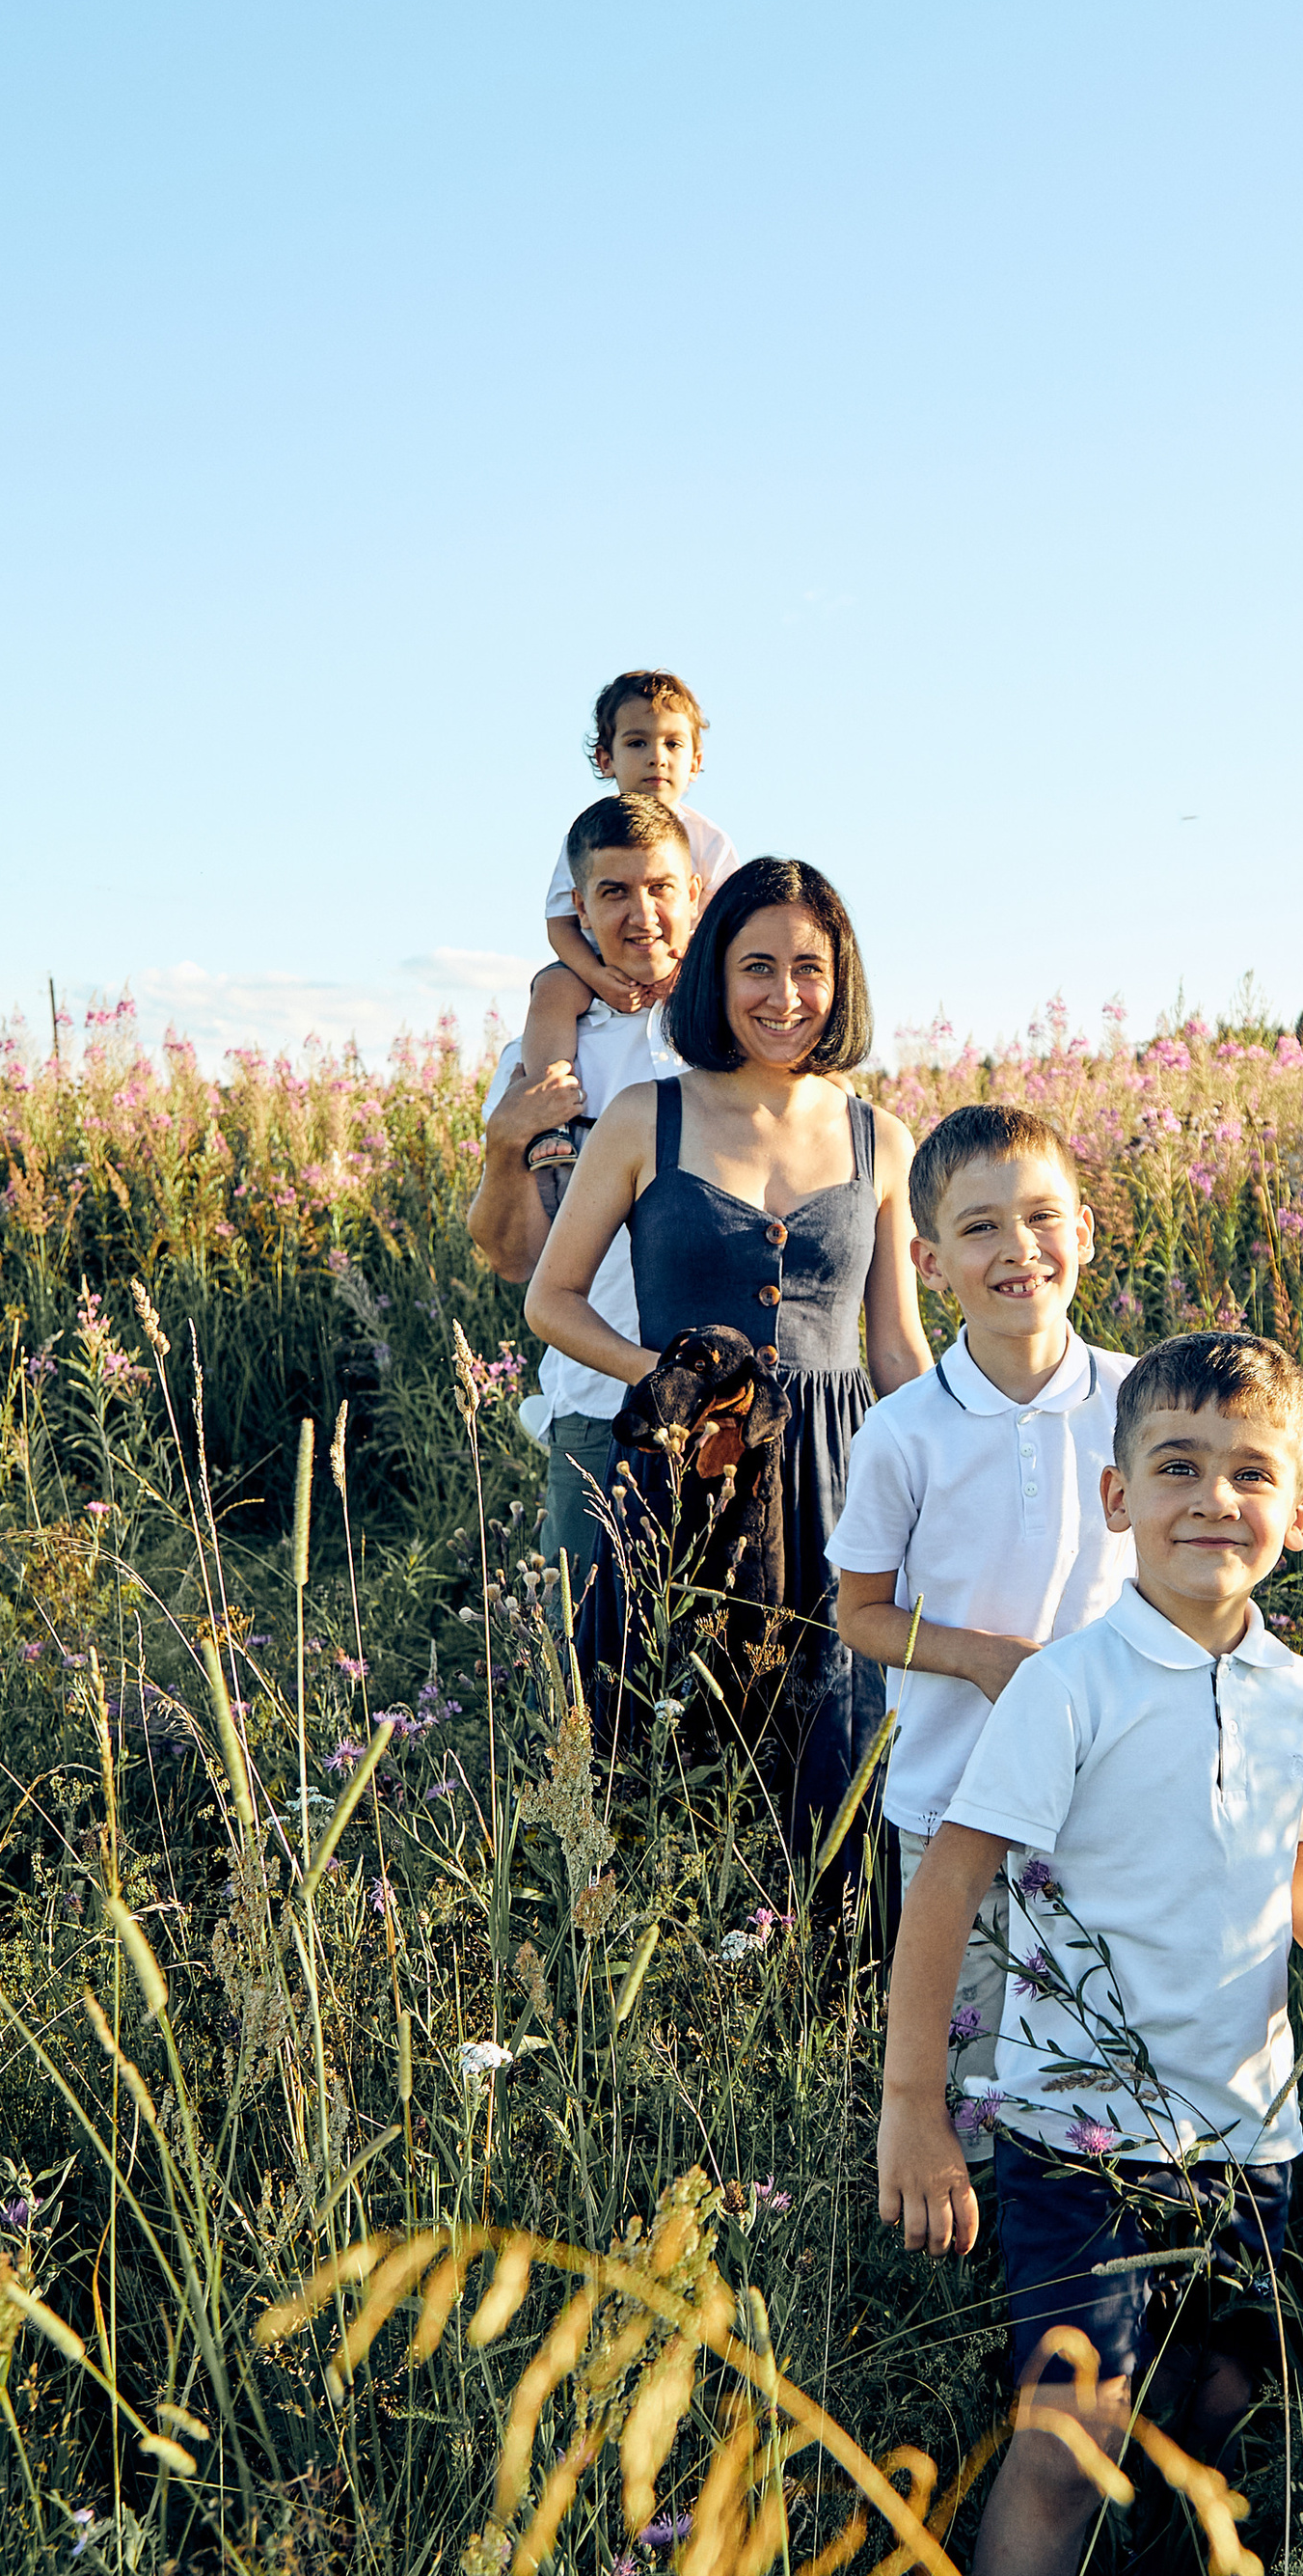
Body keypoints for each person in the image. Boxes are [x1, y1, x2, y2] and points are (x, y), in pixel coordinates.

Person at [875, 1329, 1303, 2576]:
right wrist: (920, 2108)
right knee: (1067, 2433)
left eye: (1252, 1474)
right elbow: (951, 1882)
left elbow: (1287, 1860)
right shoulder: (1073, 1686)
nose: (1213, 1499)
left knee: (1221, 2398)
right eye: (1177, 1468)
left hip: (1247, 2132)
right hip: (1074, 2136)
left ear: (1302, 1508)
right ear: (1116, 1499)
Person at [525, 854, 930, 1853]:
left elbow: (896, 1346)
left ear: (840, 982)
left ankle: (821, 1993)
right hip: (678, 1474)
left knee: (836, 1757)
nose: (784, 996)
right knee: (666, 1745)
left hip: (841, 1486)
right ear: (715, 974)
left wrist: (949, 1475)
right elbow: (552, 1300)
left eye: (809, 967)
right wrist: (671, 1383)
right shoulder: (644, 1116)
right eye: (757, 966)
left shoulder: (882, 1137)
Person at [828, 1103, 1133, 2169]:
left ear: (1084, 1231)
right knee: (967, 2076)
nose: (1019, 1250)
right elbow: (857, 1613)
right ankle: (969, 2296)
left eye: (1043, 1217)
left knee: (1103, 2064)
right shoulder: (904, 1431)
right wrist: (979, 1657)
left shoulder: (1141, 1403)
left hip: (1111, 1800)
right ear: (927, 1259)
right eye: (980, 1228)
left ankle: (1088, 2272)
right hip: (954, 1804)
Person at [465, 793, 698, 1603]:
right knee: (579, 1673)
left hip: (734, 1404)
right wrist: (506, 1144)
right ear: (581, 908)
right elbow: (513, 1258)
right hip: (599, 1406)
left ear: (695, 895)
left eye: (661, 888)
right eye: (614, 893)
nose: (642, 914)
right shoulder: (542, 1056)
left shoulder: (737, 1035)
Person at [520, 673, 737, 1185]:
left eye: (672, 743)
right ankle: (550, 1116)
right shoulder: (590, 833)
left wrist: (687, 970)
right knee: (551, 987)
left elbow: (728, 923)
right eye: (637, 742)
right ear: (606, 759)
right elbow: (560, 922)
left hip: (686, 967)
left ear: (696, 762)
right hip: (602, 962)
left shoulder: (708, 839)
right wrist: (594, 976)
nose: (656, 757)